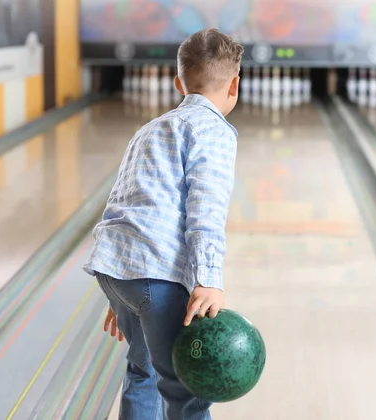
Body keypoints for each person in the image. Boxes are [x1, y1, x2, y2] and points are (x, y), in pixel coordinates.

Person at [83, 28, 243, 420]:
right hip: (156, 277)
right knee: (188, 388)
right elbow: (206, 207)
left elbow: (122, 199)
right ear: (234, 85)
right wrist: (208, 279)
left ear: (177, 83)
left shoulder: (149, 129)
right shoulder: (213, 131)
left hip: (118, 269)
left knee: (143, 371)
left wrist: (120, 293)